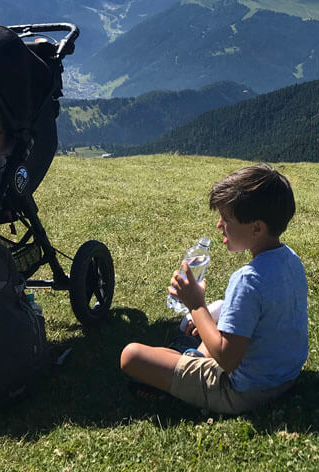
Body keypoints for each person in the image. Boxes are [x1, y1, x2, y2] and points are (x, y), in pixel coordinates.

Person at [120, 164, 309, 414]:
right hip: (285, 377)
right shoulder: (291, 259)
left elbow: (227, 360)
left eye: (227, 219)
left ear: (256, 228)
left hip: (242, 392)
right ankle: (190, 356)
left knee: (131, 356)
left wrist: (196, 304)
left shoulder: (247, 279)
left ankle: (182, 367)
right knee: (222, 313)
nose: (219, 225)